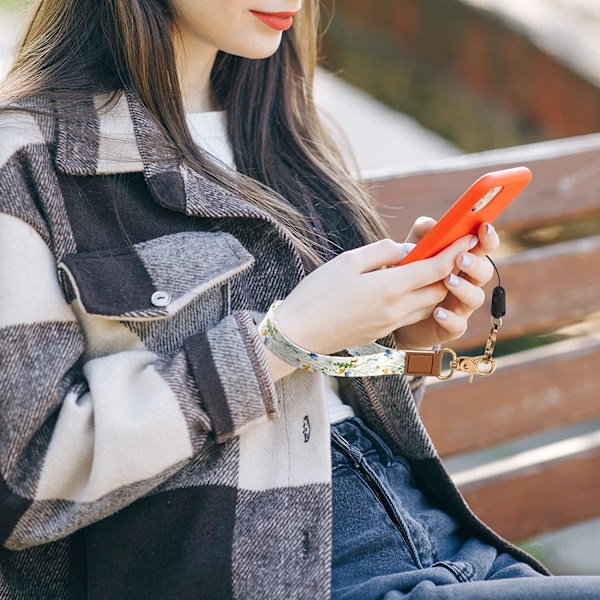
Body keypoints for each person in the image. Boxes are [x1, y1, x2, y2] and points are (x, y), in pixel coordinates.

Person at [0, 1, 598, 599]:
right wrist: (281, 342)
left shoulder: (280, 129)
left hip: (439, 542)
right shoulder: (27, 163)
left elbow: (316, 403)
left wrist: (396, 339)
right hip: (288, 577)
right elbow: (22, 484)